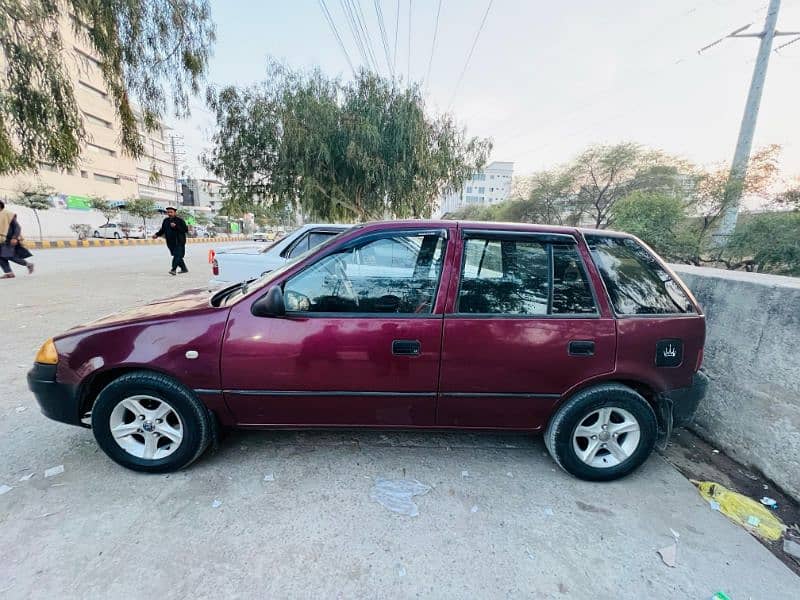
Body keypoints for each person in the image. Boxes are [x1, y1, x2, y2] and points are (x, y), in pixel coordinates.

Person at [0, 200, 34, 279]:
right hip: (0, 240)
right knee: (1, 257)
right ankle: (9, 273)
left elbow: (17, 227)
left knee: (8, 255)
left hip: (9, 239)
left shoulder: (8, 214)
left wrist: (15, 237)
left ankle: (28, 264)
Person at [153, 206, 189, 275]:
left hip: (179, 241)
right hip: (170, 242)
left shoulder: (180, 220)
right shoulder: (165, 221)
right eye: (168, 212)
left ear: (175, 213)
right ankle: (184, 269)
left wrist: (176, 226)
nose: (169, 213)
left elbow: (185, 230)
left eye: (171, 212)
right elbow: (162, 230)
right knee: (176, 255)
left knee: (177, 255)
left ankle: (173, 269)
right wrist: (157, 235)